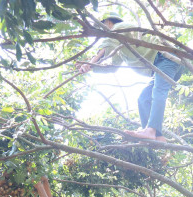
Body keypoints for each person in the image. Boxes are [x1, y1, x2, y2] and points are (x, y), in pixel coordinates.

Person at [78, 12, 183, 142]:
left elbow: (107, 44)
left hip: (166, 58)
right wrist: (92, 68)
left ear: (109, 23)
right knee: (144, 99)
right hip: (160, 67)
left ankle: (151, 131)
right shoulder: (121, 45)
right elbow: (113, 66)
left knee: (158, 92)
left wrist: (91, 62)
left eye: (103, 26)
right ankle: (157, 136)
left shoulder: (120, 27)